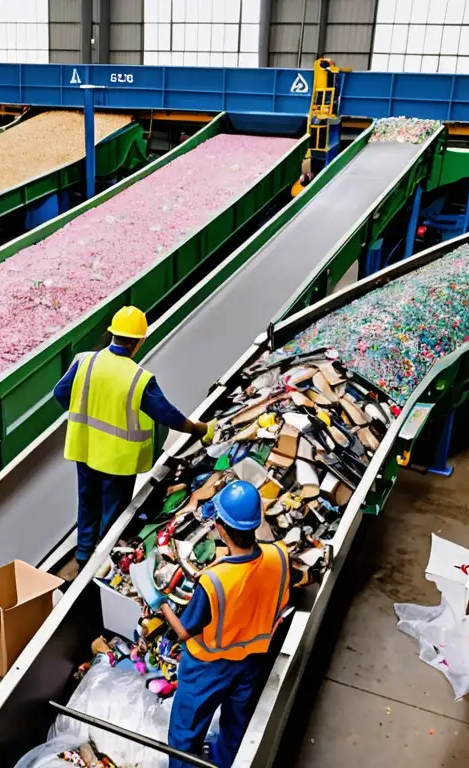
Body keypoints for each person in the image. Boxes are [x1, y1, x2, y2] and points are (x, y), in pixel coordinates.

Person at [143, 481, 292, 768]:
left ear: (221, 529)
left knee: (185, 736)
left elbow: (184, 631)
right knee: (237, 724)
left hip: (207, 668)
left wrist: (157, 600)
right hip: (252, 661)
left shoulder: (214, 581)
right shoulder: (279, 556)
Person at [55, 306, 215, 569]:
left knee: (87, 503)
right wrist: (199, 429)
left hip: (84, 449)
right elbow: (169, 416)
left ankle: (83, 556)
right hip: (118, 460)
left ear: (113, 335)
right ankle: (102, 564)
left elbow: (61, 394)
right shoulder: (139, 379)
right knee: (112, 514)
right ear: (139, 342)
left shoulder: (85, 361)